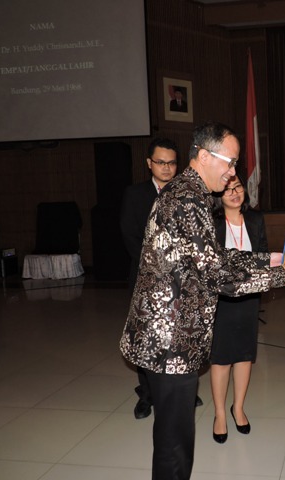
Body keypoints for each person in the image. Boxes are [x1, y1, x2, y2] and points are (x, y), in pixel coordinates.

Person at [119, 121, 285, 480]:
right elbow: (217, 276)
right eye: (230, 162)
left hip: (171, 336)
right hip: (171, 342)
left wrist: (268, 259)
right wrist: (282, 276)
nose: (233, 172)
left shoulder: (190, 194)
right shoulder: (187, 200)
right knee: (175, 443)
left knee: (172, 437)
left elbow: (215, 257)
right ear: (205, 156)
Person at [120, 137, 179, 420]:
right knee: (145, 340)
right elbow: (129, 235)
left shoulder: (186, 193)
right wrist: (154, 268)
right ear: (149, 163)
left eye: (171, 163)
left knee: (178, 339)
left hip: (180, 281)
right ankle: (147, 395)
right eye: (160, 162)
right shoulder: (135, 194)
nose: (166, 168)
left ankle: (181, 391)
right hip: (145, 278)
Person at [210, 174, 266, 444]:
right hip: (221, 300)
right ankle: (220, 413)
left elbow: (264, 255)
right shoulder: (212, 222)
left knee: (244, 355)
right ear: (218, 196)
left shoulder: (255, 219)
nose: (234, 193)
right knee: (221, 358)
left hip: (249, 297)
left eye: (238, 188)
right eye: (228, 190)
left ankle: (238, 407)